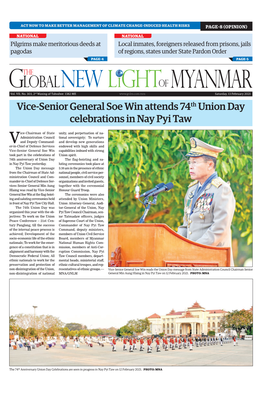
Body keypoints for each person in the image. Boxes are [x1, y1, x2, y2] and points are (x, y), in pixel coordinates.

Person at [178, 137, 236, 266]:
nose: (190, 166)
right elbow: (185, 225)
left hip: (213, 259)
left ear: (210, 164)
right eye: (189, 162)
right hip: (191, 259)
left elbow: (219, 229)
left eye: (195, 162)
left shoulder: (222, 190)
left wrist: (194, 249)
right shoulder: (192, 190)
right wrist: (177, 246)